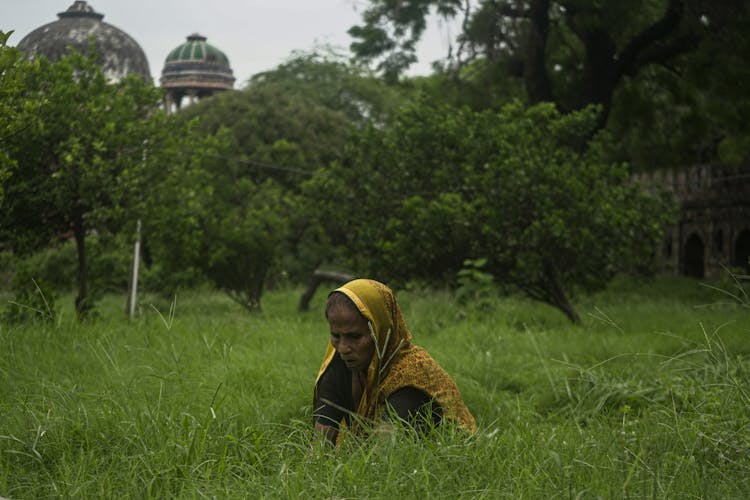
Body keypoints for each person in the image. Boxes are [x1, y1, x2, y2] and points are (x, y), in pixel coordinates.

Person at [313, 278, 476, 446]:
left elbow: (384, 455)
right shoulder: (339, 365)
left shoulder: (412, 376)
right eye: (336, 336)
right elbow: (319, 448)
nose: (343, 348)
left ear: (382, 330)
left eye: (355, 337)